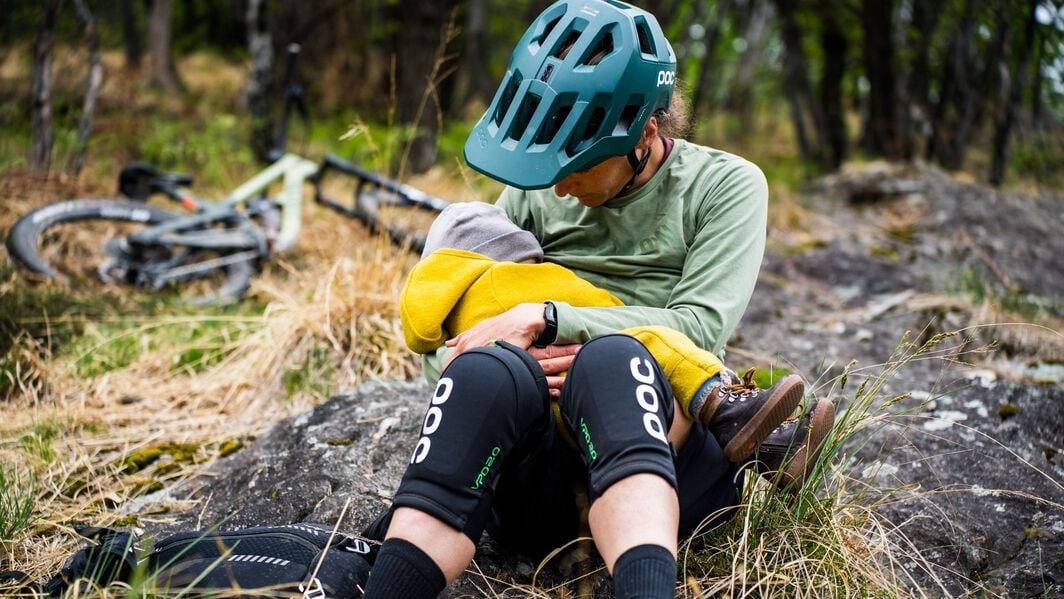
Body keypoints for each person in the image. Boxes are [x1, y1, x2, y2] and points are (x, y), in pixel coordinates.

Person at [361, 1, 835, 597]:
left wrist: (550, 317)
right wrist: (500, 356)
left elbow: (698, 328)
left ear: (645, 132)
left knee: (611, 362)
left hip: (655, 446)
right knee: (485, 372)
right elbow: (465, 325)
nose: (558, 185)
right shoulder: (535, 190)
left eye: (579, 167)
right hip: (536, 481)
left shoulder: (726, 187)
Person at [402, 201, 816, 465]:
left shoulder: (449, 315)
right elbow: (597, 307)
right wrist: (567, 317)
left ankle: (771, 449)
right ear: (516, 255)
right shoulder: (512, 283)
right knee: (653, 339)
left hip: (530, 431)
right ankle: (727, 405)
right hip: (600, 404)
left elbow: (440, 360)